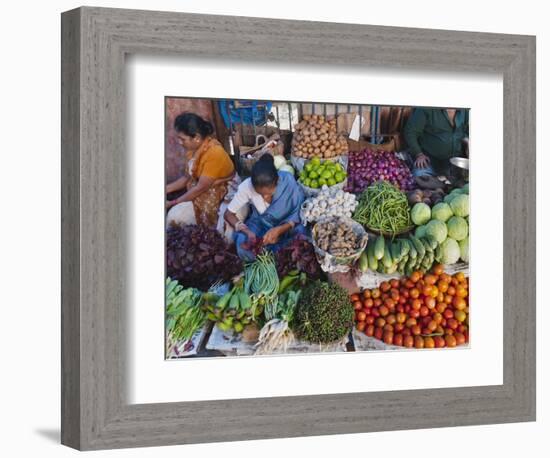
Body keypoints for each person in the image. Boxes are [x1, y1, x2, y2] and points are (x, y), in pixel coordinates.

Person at [224, 154, 307, 261]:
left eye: (269, 193)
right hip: (262, 224)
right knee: (242, 243)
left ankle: (273, 255)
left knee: (301, 233)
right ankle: (275, 255)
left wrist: (279, 230)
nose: (265, 197)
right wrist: (248, 232)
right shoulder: (247, 186)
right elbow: (228, 214)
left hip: (287, 224)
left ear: (277, 182)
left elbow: (298, 212)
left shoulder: (287, 180)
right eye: (260, 194)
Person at [166, 113, 235, 227]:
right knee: (175, 216)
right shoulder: (193, 149)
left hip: (223, 188)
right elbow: (187, 177)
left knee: (217, 226)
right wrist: (166, 189)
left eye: (182, 139)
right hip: (202, 185)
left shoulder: (214, 153)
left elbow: (200, 188)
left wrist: (173, 202)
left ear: (197, 138)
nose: (179, 142)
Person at [403, 107, 469, 177]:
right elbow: (410, 132)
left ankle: (443, 182)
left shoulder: (465, 110)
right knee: (419, 175)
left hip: (455, 161)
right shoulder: (426, 108)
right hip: (429, 160)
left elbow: (465, 132)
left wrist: (467, 141)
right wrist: (419, 154)